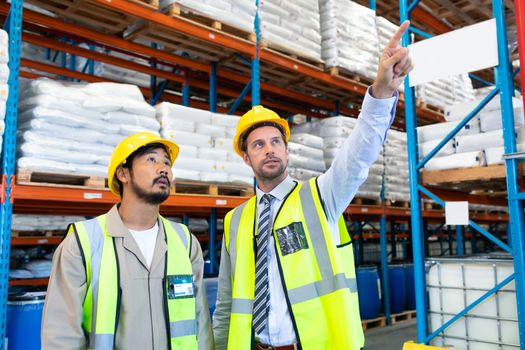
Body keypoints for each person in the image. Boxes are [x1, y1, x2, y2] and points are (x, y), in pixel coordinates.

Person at [212, 21, 414, 350]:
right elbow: (225, 303)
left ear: (287, 150)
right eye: (259, 145)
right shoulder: (235, 220)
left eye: (276, 141)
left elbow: (357, 155)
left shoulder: (320, 196)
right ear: (246, 159)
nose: (270, 149)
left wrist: (381, 91)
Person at [41, 132, 214, 350]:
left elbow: (201, 325)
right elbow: (61, 335)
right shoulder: (83, 242)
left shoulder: (184, 241)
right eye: (151, 159)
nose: (164, 169)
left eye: (167, 163)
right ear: (123, 173)